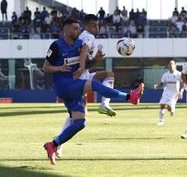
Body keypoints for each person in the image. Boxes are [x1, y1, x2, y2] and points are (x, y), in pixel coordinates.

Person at [42, 18, 144, 165]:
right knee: (95, 85)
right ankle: (129, 97)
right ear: (66, 29)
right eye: (75, 28)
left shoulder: (79, 44)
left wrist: (93, 60)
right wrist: (59, 68)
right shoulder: (56, 46)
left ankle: (53, 144)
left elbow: (84, 58)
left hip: (74, 86)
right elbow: (46, 67)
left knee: (80, 123)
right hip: (64, 85)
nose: (78, 31)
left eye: (78, 28)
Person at [55, 14, 118, 158]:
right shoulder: (89, 37)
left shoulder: (82, 36)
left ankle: (59, 143)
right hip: (78, 80)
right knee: (77, 119)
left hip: (80, 76)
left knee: (108, 75)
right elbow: (82, 59)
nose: (97, 28)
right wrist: (91, 61)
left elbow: (82, 61)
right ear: (87, 26)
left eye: (98, 25)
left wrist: (94, 60)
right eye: (93, 26)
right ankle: (58, 143)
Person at [153, 60, 184, 125]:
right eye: (169, 64)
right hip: (166, 92)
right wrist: (157, 86)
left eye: (172, 64)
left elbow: (182, 84)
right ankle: (161, 121)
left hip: (174, 94)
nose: (171, 65)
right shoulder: (165, 74)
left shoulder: (179, 74)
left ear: (175, 65)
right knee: (162, 105)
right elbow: (162, 83)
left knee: (169, 108)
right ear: (168, 66)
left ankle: (172, 109)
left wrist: (181, 91)